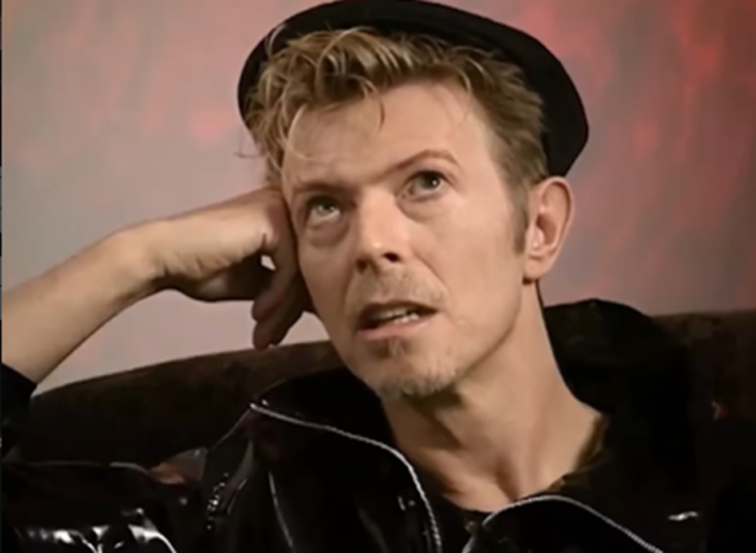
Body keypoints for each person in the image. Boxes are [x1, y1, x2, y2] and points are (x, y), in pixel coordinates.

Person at [2, 1, 754, 552]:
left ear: (539, 229)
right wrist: (136, 258)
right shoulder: (252, 503)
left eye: (425, 182)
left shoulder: (716, 484)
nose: (372, 244)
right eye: (325, 206)